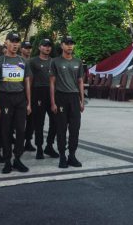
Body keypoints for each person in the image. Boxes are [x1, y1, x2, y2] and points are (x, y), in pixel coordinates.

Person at [0, 32, 32, 174]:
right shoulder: (0, 61)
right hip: (5, 99)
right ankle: (7, 160)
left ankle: (17, 159)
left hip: (20, 98)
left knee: (21, 130)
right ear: (6, 43)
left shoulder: (23, 61)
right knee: (6, 130)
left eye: (17, 41)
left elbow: (27, 82)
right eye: (12, 41)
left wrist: (29, 103)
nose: (15, 44)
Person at [50, 36, 85, 168]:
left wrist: (82, 101)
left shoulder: (78, 62)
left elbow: (80, 82)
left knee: (75, 128)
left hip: (74, 98)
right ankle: (62, 157)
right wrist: (53, 102)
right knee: (61, 129)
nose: (70, 46)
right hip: (61, 98)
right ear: (62, 45)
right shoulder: (56, 61)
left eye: (72, 44)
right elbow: (52, 83)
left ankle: (72, 155)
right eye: (67, 44)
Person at [31, 39, 59, 159]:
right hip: (38, 93)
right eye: (44, 45)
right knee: (39, 123)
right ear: (39, 47)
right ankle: (39, 148)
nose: (47, 48)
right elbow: (29, 80)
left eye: (49, 46)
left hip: (52, 93)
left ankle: (49, 145)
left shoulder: (54, 62)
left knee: (56, 121)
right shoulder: (33, 62)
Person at [21, 41, 37, 153]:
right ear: (21, 49)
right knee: (19, 121)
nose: (28, 50)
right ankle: (19, 142)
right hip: (19, 93)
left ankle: (28, 141)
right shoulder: (18, 61)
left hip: (33, 93)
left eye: (30, 48)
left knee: (31, 121)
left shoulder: (33, 62)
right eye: (26, 48)